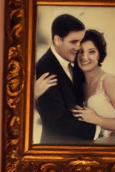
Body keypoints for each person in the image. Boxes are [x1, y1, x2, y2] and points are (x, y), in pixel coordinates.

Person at [33, 13, 96, 145]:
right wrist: (99, 128)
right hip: (56, 147)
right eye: (73, 42)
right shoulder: (46, 68)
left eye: (81, 41)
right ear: (57, 40)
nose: (78, 47)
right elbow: (58, 121)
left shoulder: (74, 62)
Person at [71, 29, 115, 139]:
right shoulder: (80, 84)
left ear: (100, 54)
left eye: (91, 51)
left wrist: (97, 120)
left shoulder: (107, 80)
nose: (84, 57)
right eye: (80, 52)